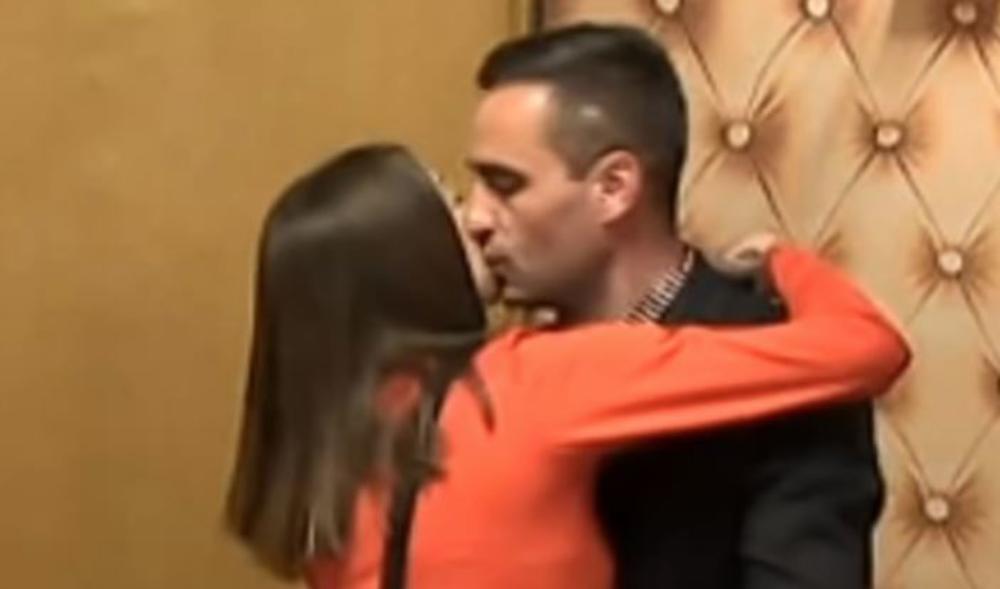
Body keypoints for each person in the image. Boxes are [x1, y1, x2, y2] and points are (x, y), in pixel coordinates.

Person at [225, 143, 909, 589]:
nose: (479, 221)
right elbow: (866, 346)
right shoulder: (531, 383)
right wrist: (784, 262)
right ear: (405, 259)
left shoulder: (318, 469)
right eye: (452, 204)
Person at [464, 23, 887, 588]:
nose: (475, 218)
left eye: (505, 185)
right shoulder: (502, 370)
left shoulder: (785, 370)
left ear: (614, 187)